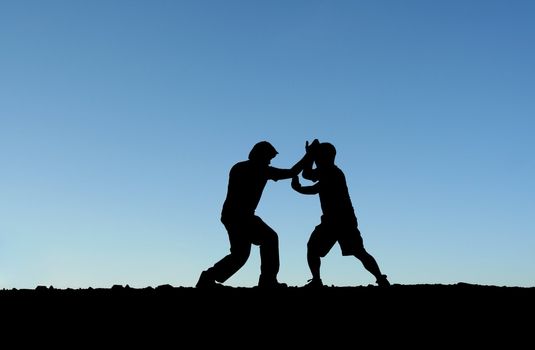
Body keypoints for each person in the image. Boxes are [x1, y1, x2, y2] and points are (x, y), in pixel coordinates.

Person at [196, 140, 315, 288]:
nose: (270, 161)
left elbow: (289, 172)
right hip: (240, 216)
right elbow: (291, 172)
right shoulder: (259, 169)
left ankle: (208, 277)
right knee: (268, 239)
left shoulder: (241, 167)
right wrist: (309, 155)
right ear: (262, 156)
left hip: (233, 215)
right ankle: (268, 280)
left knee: (240, 255)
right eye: (269, 158)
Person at [291, 141, 390, 288]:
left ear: (324, 157)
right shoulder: (331, 171)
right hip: (342, 220)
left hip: (336, 220)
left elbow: (307, 175)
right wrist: (310, 155)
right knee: (357, 252)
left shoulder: (331, 172)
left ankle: (317, 281)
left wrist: (309, 155)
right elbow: (311, 180)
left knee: (316, 248)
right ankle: (381, 279)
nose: (316, 160)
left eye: (318, 157)